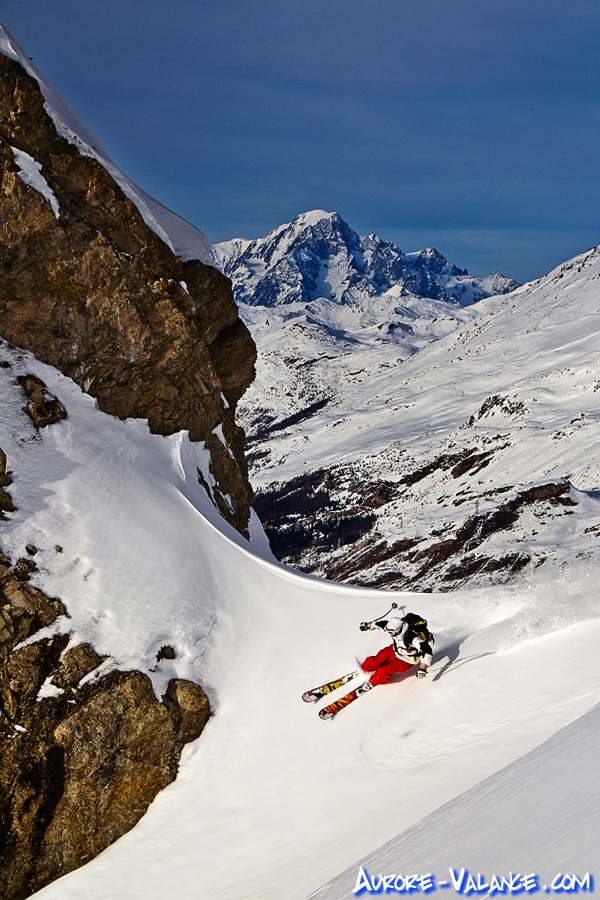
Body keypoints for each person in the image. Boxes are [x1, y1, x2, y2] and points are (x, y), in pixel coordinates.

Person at [358, 613, 434, 687]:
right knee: (374, 662)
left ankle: (373, 681)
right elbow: (381, 624)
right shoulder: (393, 628)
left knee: (384, 671)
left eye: (391, 632)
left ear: (399, 630)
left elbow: (426, 649)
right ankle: (366, 667)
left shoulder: (411, 637)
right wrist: (368, 626)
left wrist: (423, 668)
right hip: (394, 650)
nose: (390, 634)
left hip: (405, 660)